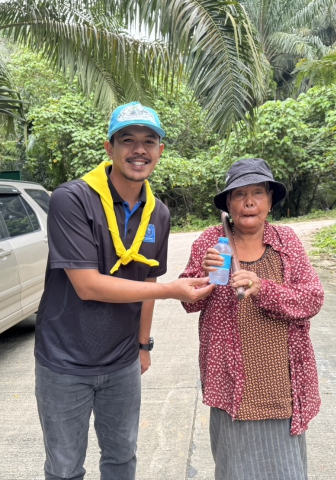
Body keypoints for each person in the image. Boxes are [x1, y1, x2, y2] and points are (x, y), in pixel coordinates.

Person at [35, 101, 214, 480]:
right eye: (128, 140)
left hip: (122, 363)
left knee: (121, 460)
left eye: (149, 142)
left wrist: (143, 346)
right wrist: (173, 291)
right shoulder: (72, 199)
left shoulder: (158, 213)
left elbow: (147, 283)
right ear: (109, 148)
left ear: (160, 151)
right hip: (65, 362)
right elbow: (86, 285)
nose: (139, 150)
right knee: (65, 469)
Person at [180, 158, 324, 480]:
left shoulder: (286, 242)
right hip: (231, 386)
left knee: (285, 471)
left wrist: (263, 288)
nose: (249, 202)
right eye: (239, 194)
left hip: (282, 387)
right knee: (235, 469)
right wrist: (204, 274)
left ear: (269, 201)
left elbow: (312, 298)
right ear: (229, 204)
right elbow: (188, 303)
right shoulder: (211, 242)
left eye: (258, 193)